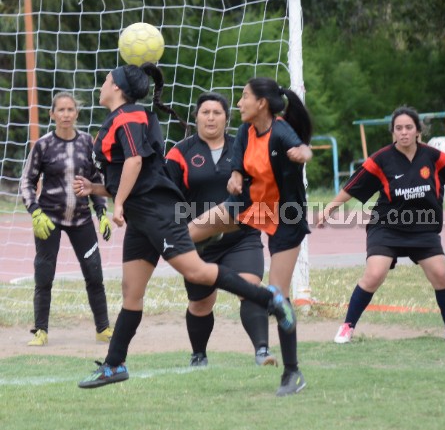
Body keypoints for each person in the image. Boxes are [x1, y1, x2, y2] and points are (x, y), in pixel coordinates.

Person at [73, 64, 295, 389]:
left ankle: (270, 301)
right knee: (131, 293)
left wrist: (117, 203)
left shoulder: (130, 115)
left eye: (107, 79)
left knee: (198, 272)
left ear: (118, 88)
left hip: (156, 212)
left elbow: (135, 162)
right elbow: (135, 173)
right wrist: (98, 190)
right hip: (141, 216)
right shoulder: (120, 119)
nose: (102, 83)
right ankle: (114, 365)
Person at [317, 106, 445, 344]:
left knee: (440, 274)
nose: (404, 132)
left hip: (423, 229)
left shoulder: (432, 157)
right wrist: (328, 210)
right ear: (393, 132)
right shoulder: (381, 159)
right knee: (374, 274)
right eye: (399, 128)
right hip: (386, 227)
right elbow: (351, 187)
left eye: (409, 127)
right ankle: (347, 326)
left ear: (418, 130)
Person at [187, 77, 312, 396]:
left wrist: (302, 154)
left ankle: (292, 373)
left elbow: (301, 148)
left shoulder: (281, 131)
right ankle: (212, 253)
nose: (238, 103)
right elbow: (239, 166)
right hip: (249, 206)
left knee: (280, 296)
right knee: (183, 235)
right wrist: (234, 176)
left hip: (286, 215)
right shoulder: (244, 131)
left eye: (244, 97)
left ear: (262, 104)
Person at [165, 92, 276, 367]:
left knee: (250, 287)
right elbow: (167, 197)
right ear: (196, 116)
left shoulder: (245, 148)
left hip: (242, 237)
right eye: (205, 112)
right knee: (202, 303)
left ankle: (262, 351)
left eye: (217, 112)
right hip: (199, 242)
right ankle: (199, 355)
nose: (211, 117)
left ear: (227, 118)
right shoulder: (180, 152)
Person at [20, 91, 113, 346]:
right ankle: (41, 330)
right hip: (49, 220)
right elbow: (26, 182)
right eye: (60, 110)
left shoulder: (87, 143)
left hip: (82, 219)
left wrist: (102, 213)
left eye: (70, 110)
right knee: (44, 273)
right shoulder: (43, 145)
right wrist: (35, 212)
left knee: (94, 273)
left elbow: (97, 182)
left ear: (77, 113)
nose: (65, 114)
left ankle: (103, 329)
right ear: (52, 114)